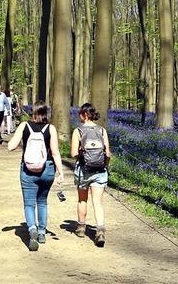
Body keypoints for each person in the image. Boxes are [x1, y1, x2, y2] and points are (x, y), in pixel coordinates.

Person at [7, 103, 64, 251]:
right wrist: (60, 172)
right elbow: (56, 152)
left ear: (33, 112)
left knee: (29, 204)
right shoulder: (51, 128)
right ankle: (41, 233)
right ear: (47, 114)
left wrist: (21, 143)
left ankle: (32, 228)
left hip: (27, 170)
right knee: (43, 202)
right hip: (47, 169)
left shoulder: (24, 126)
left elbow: (11, 146)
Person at [70, 103, 111, 247]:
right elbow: (108, 153)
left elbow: (73, 153)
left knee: (82, 200)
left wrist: (82, 151)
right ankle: (100, 231)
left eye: (80, 114)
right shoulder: (102, 130)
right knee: (98, 202)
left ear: (85, 115)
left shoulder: (78, 131)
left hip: (83, 171)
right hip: (100, 171)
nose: (78, 116)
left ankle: (81, 228)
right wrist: (105, 165)